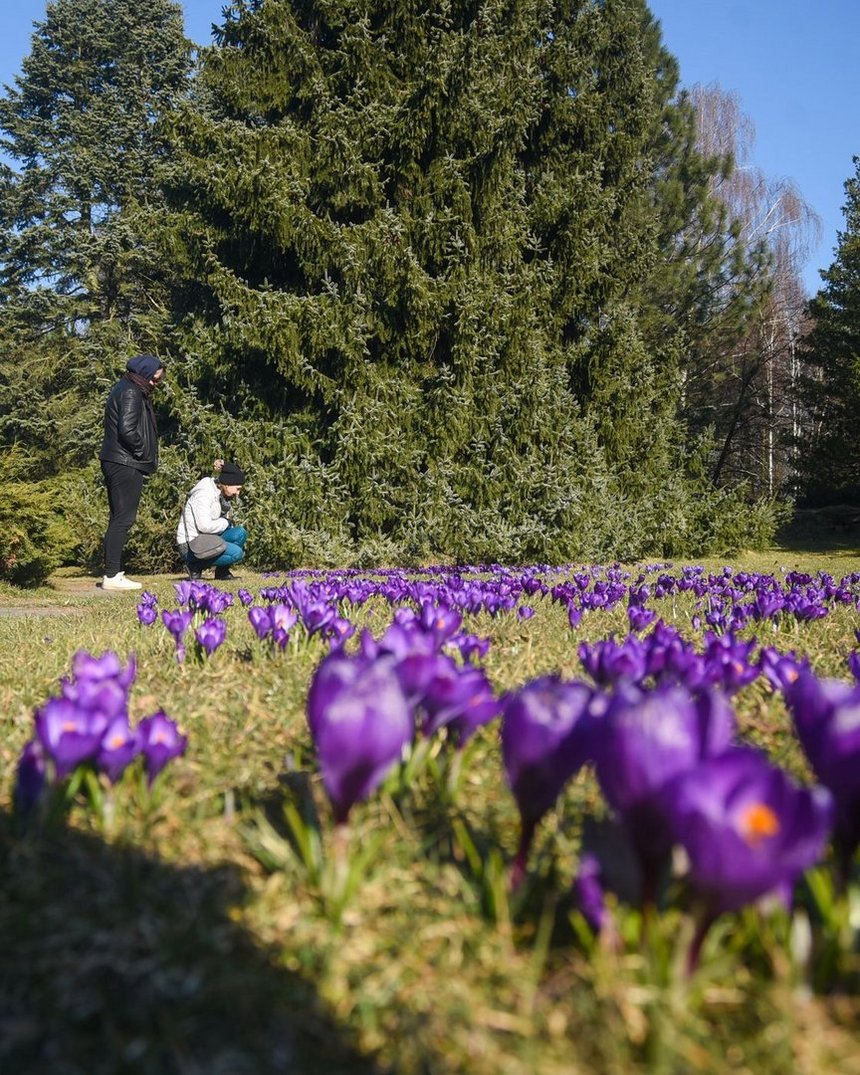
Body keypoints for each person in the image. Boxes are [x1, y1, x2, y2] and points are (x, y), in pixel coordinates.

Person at [98, 354, 165, 590]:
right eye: (155, 379)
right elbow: (127, 429)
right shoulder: (131, 392)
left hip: (118, 460)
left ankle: (112, 573)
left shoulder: (126, 388)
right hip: (124, 462)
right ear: (145, 374)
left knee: (119, 518)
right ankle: (112, 576)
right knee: (123, 518)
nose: (156, 384)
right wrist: (142, 451)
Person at [176, 461, 248, 581]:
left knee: (240, 533)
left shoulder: (218, 491)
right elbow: (204, 526)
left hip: (207, 539)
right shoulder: (203, 495)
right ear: (227, 484)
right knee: (237, 553)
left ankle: (222, 572)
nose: (238, 493)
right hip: (190, 545)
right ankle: (194, 566)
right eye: (237, 488)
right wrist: (226, 521)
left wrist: (224, 464)